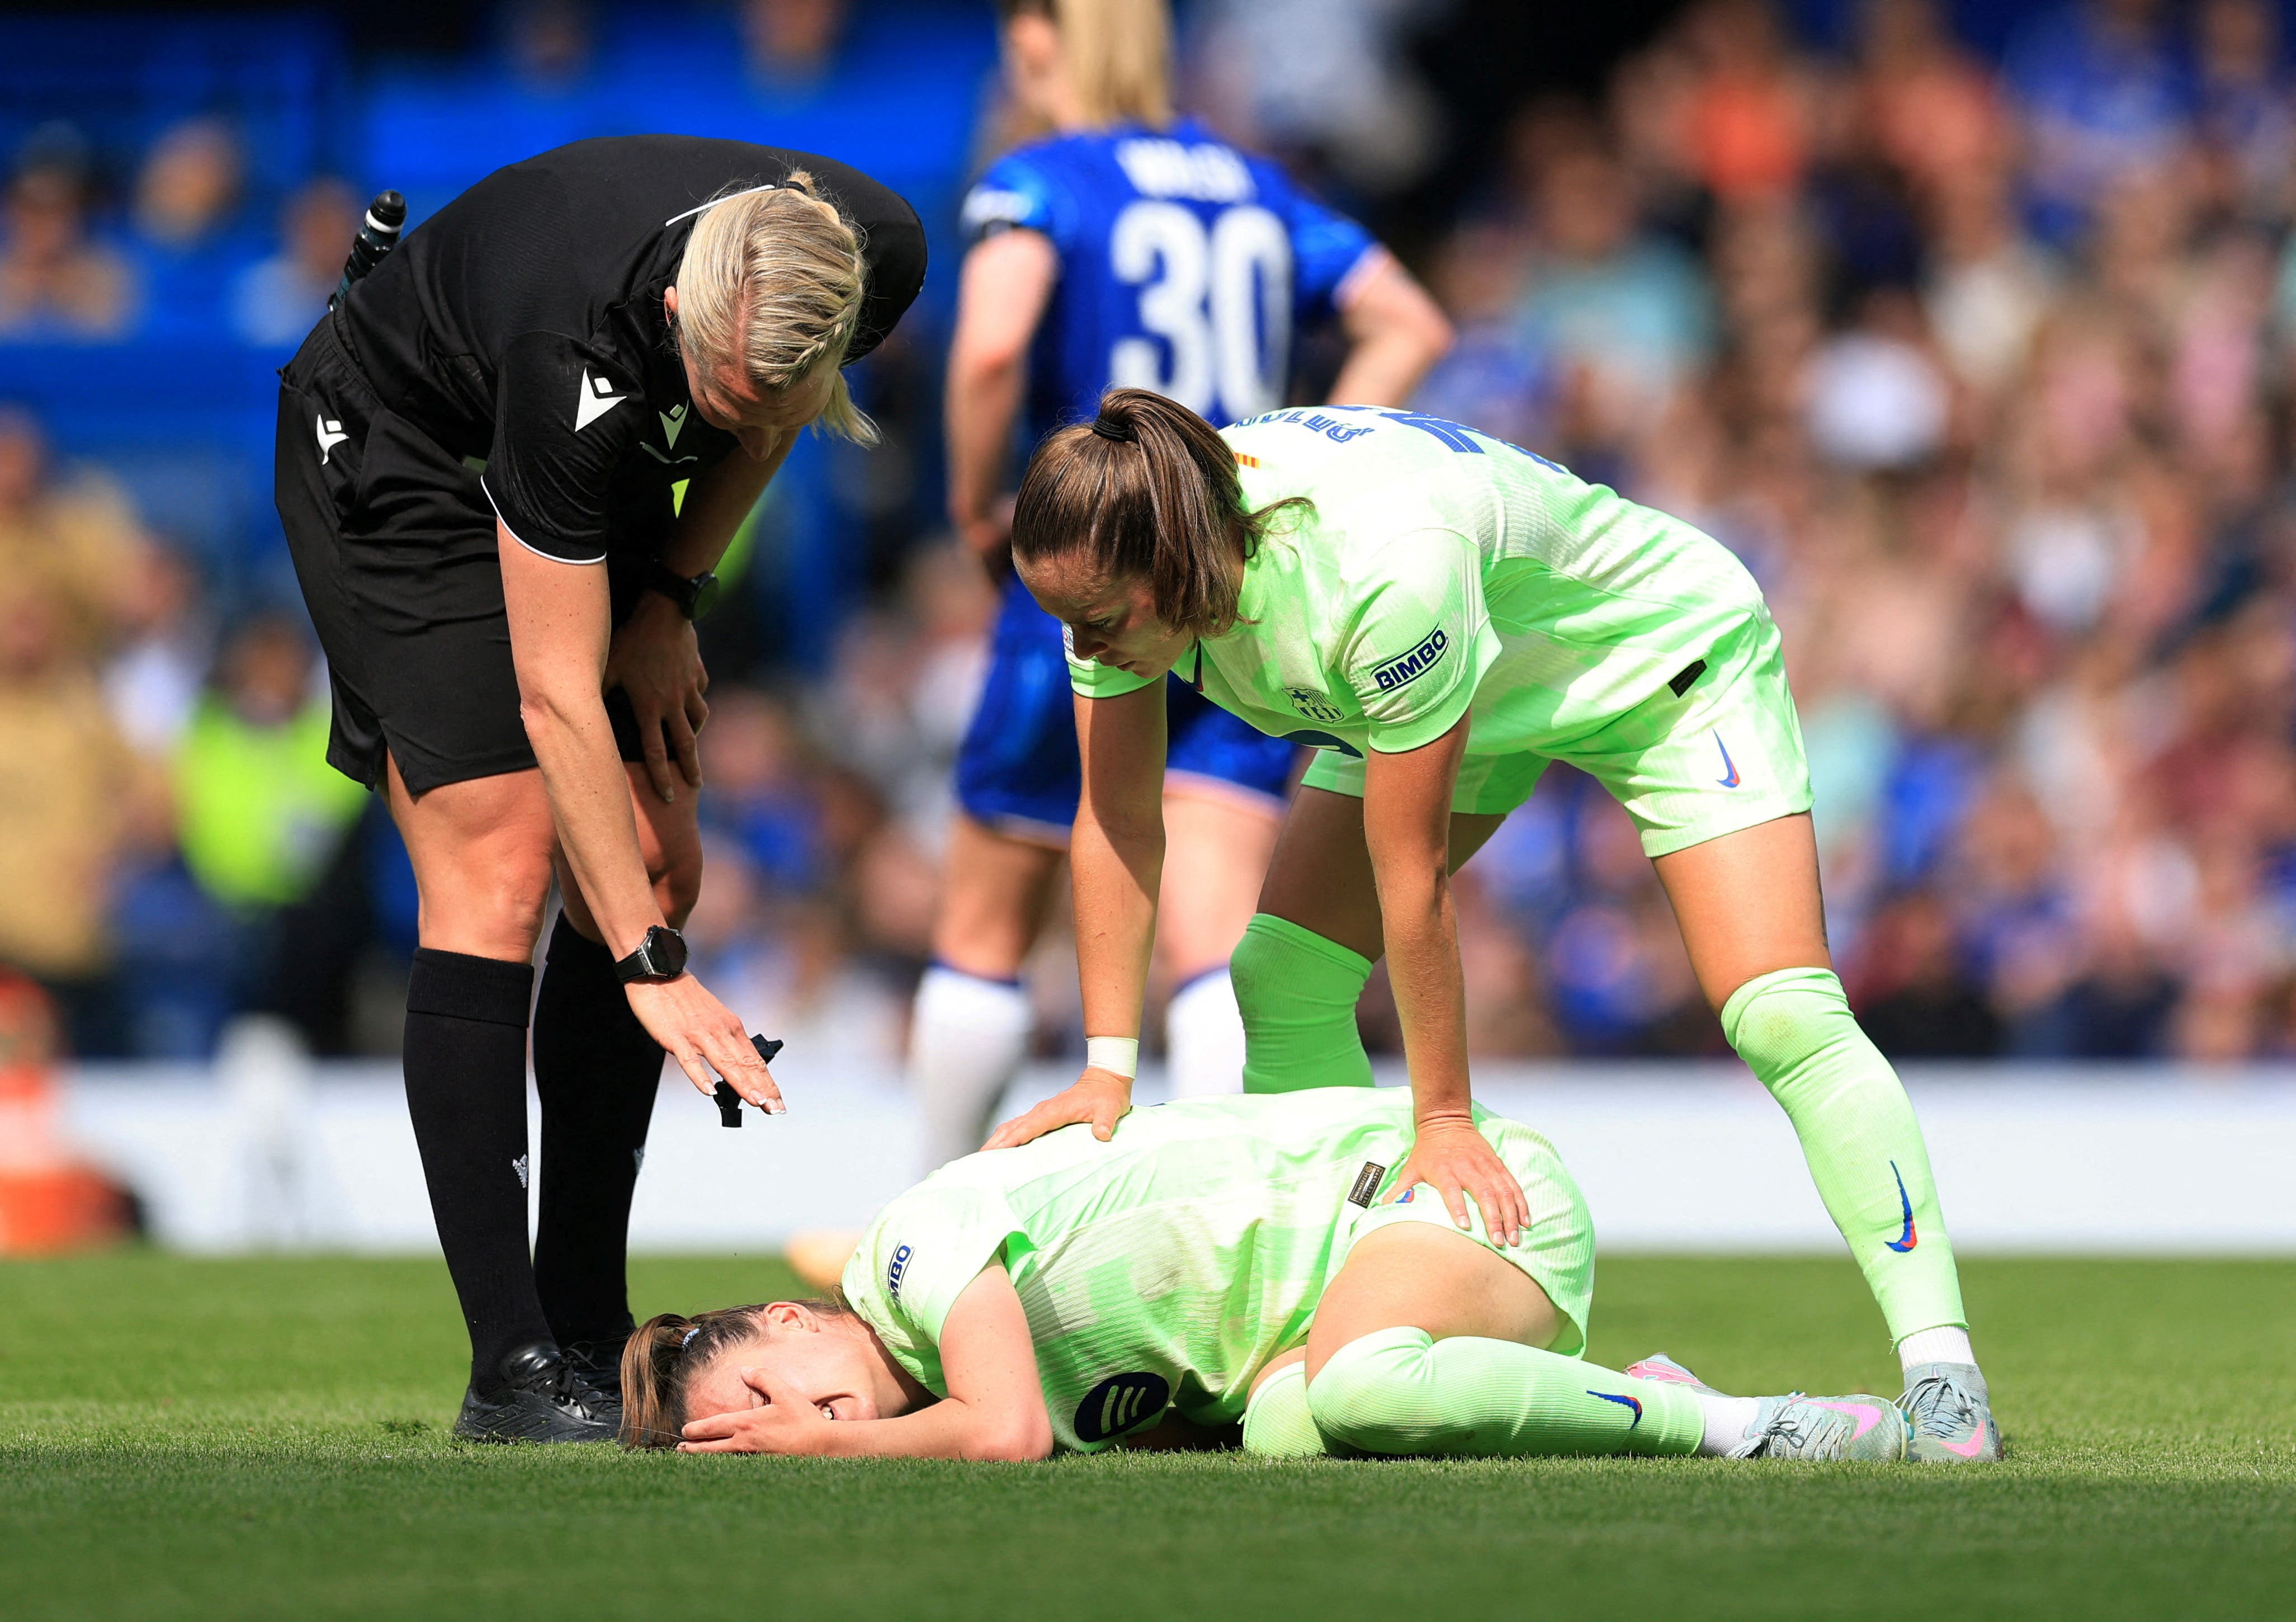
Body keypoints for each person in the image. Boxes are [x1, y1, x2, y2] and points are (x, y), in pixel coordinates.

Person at [990, 388, 2001, 1464]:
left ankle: (1944, 1379)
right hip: (1472, 679)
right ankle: (1326, 1328)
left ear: (1176, 562)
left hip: (1657, 664)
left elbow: (1411, 875)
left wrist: (1444, 1119)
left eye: (1099, 618)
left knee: (1780, 1012)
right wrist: (1107, 1069)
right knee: (1283, 974)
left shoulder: (1379, 570)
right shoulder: (1126, 555)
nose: (1080, 642)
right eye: (1064, 618)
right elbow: (1116, 816)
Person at [272, 136, 924, 1442]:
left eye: (771, 399)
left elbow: (768, 409)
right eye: (723, 391)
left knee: (658, 860)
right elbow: (556, 694)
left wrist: (673, 592)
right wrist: (646, 961)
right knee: (505, 861)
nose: (746, 419)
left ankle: (582, 1318)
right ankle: (509, 1367)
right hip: (401, 455)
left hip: (602, 462)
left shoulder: (870, 254)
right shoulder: (571, 342)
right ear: (681, 303)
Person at [916, 0, 1451, 1172]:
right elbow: (1406, 319)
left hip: (1087, 562)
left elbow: (994, 344)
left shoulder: (1041, 178)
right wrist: (1296, 449)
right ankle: (1210, 1217)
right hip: (1226, 572)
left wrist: (973, 508)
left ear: (1039, 39)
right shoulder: (1255, 187)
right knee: (1212, 929)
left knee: (987, 916)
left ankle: (927, 1219)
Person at [620, 1086, 1911, 1464]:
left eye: (761, 1392)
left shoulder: (908, 1250)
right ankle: (1597, 1390)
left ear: (788, 1318)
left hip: (1453, 1189)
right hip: (1363, 1283)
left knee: (1352, 1392)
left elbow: (1001, 1434)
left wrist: (819, 1452)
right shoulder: (940, 1350)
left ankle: (1752, 1428)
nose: (781, 1420)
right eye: (743, 1434)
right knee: (1290, 1430)